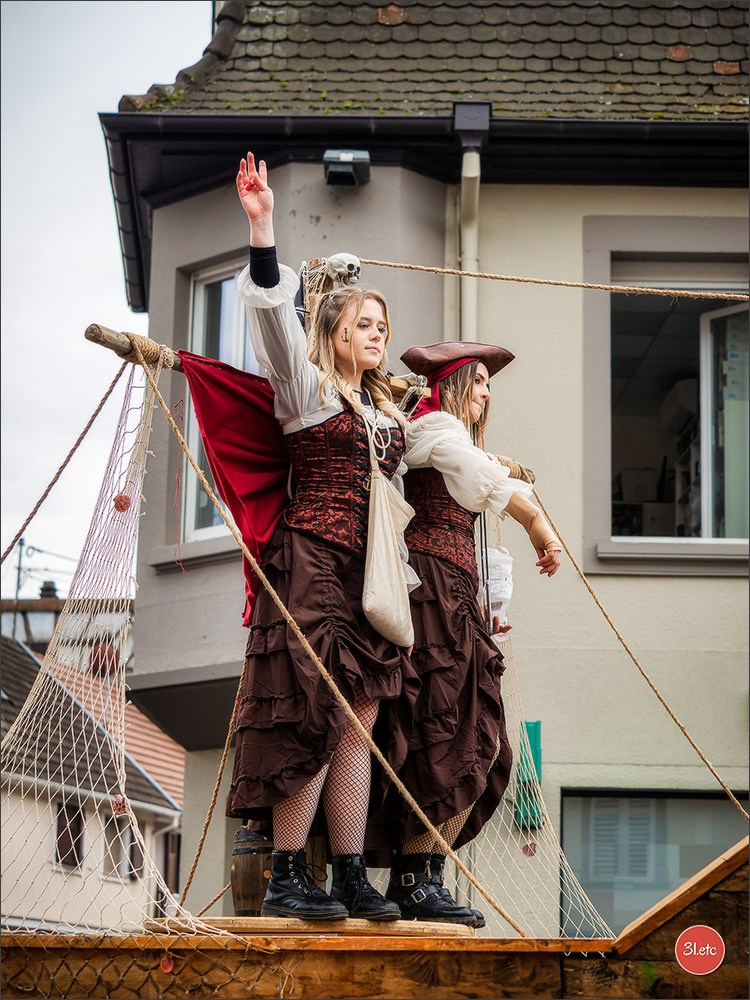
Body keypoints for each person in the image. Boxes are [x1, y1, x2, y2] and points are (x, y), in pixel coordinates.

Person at [224, 152, 418, 921]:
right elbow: (273, 317)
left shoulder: (388, 416)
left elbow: (424, 480)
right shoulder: (306, 393)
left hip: (367, 574)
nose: (377, 335)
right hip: (310, 565)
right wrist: (263, 226)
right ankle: (282, 874)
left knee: (360, 718)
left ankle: (346, 872)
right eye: (364, 325)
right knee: (314, 709)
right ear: (333, 332)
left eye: (383, 327)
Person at [380, 341, 562, 927]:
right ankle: (412, 876)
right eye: (479, 381)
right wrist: (538, 525)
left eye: (488, 384)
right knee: (442, 724)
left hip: (456, 592)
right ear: (454, 386)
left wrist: (495, 601)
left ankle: (426, 870)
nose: (487, 393)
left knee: (474, 730)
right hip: (431, 589)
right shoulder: (433, 428)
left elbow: (483, 514)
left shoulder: (452, 438)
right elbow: (485, 480)